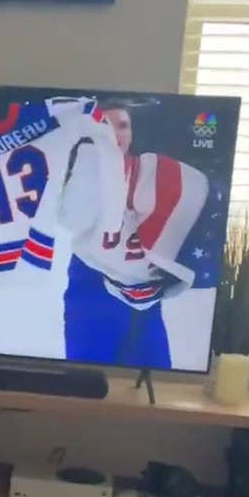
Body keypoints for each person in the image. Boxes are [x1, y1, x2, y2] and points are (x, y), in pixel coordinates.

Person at [61, 101, 210, 370]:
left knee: (155, 373)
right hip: (94, 281)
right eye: (105, 126)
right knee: (88, 378)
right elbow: (71, 218)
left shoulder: (154, 175)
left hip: (145, 292)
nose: (114, 134)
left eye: (122, 126)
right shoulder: (79, 171)